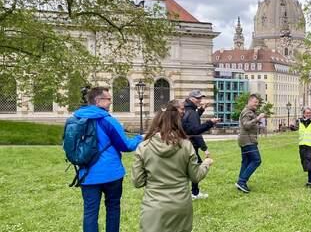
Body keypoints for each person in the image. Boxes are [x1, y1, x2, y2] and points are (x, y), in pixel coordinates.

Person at [132, 100, 213, 232]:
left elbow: (137, 181)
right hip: (180, 204)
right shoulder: (186, 145)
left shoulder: (143, 147)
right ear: (178, 122)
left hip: (153, 206)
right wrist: (206, 163)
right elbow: (195, 177)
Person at [73, 87, 143, 232]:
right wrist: (139, 138)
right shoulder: (108, 120)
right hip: (111, 174)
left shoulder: (75, 119)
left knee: (90, 213)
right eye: (108, 99)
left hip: (87, 174)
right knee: (113, 208)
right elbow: (126, 146)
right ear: (98, 101)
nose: (111, 102)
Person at [182, 90, 219, 200]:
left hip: (186, 144)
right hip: (190, 146)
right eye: (198, 99)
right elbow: (195, 130)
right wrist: (210, 123)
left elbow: (191, 123)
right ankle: (194, 193)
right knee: (196, 169)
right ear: (192, 99)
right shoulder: (191, 112)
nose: (200, 100)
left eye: (201, 98)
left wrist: (201, 109)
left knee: (187, 169)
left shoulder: (187, 109)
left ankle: (192, 192)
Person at [235, 94, 266, 193]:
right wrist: (258, 118)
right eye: (255, 102)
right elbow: (246, 125)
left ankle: (240, 181)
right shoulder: (247, 112)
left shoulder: (251, 112)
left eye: (257, 102)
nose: (256, 104)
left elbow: (250, 125)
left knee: (246, 161)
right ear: (249, 101)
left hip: (246, 140)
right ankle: (242, 181)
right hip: (248, 141)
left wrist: (258, 124)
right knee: (257, 160)